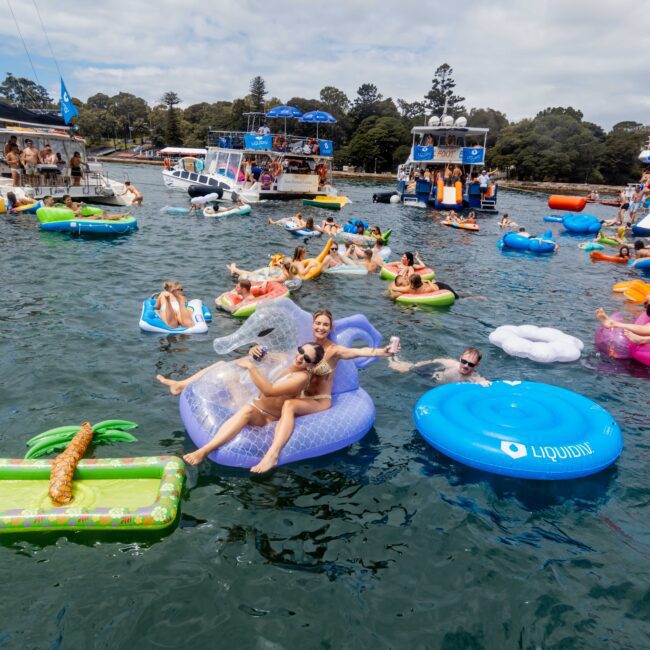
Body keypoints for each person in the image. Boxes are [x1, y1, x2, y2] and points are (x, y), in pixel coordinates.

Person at [250, 310, 398, 472]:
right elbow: (284, 358)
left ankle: (273, 454)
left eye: (325, 324)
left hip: (319, 400)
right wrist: (257, 351)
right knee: (279, 398)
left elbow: (359, 351)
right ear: (313, 324)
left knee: (290, 405)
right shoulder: (307, 347)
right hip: (302, 396)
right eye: (318, 323)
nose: (321, 327)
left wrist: (383, 352)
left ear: (331, 327)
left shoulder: (334, 351)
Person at [180, 342, 325, 466]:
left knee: (247, 411)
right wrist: (254, 349)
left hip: (265, 415)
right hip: (253, 399)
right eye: (300, 351)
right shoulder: (286, 359)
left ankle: (204, 450)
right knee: (224, 367)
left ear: (311, 365)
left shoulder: (301, 377)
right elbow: (263, 355)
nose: (299, 357)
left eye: (306, 358)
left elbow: (269, 391)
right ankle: (180, 385)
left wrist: (251, 367)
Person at [389, 346, 490, 386]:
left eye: (471, 364)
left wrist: (484, 382)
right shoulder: (451, 363)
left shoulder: (473, 377)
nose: (465, 365)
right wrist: (415, 366)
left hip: (442, 386)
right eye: (464, 361)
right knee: (401, 368)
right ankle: (391, 356)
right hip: (432, 377)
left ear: (476, 365)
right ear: (460, 359)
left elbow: (483, 382)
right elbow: (433, 361)